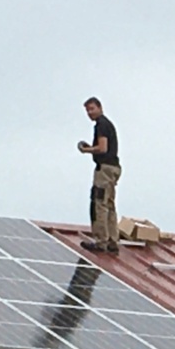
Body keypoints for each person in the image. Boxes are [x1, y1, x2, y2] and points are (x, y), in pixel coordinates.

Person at [78, 97, 121, 254]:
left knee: (99, 203)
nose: (90, 113)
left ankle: (101, 241)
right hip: (114, 168)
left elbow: (102, 148)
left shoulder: (101, 125)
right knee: (109, 204)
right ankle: (112, 240)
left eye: (92, 109)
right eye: (87, 110)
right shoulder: (108, 124)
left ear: (100, 108)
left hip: (105, 169)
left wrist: (86, 150)